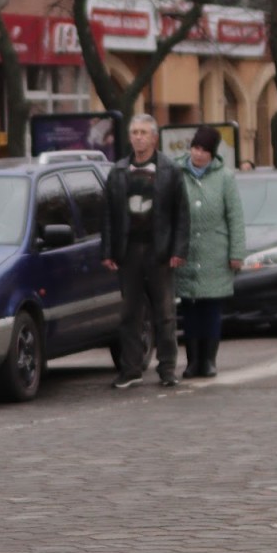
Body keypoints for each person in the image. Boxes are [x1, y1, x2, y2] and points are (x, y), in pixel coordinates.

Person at [101, 113, 188, 388]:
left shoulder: (169, 170)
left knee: (164, 312)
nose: (138, 137)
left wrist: (178, 250)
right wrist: (108, 251)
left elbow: (181, 214)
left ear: (154, 137)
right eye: (134, 132)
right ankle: (131, 368)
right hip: (129, 251)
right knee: (129, 313)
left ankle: (167, 369)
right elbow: (108, 216)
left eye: (143, 132)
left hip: (159, 250)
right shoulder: (118, 172)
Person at [175, 126, 245, 380]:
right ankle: (192, 361)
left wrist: (236, 253)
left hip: (216, 253)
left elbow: (235, 217)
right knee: (189, 308)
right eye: (195, 148)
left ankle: (209, 360)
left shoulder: (225, 178)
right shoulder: (177, 173)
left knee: (211, 309)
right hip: (186, 254)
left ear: (212, 153)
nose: (199, 154)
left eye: (204, 150)